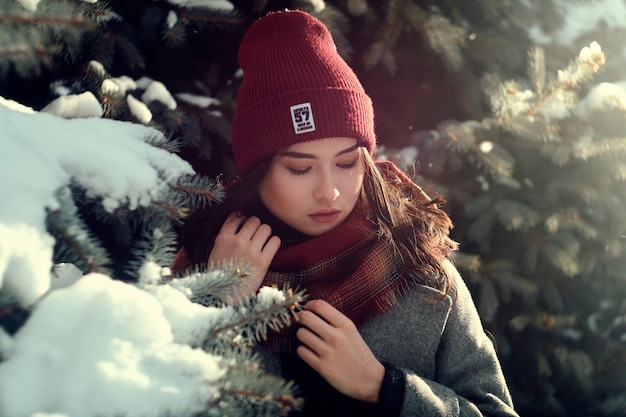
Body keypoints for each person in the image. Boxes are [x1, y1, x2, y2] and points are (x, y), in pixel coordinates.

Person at [173, 9, 519, 417]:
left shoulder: (417, 263)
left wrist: (385, 388)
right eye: (300, 168)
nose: (329, 191)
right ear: (258, 173)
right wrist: (225, 309)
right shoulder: (201, 263)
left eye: (345, 163)